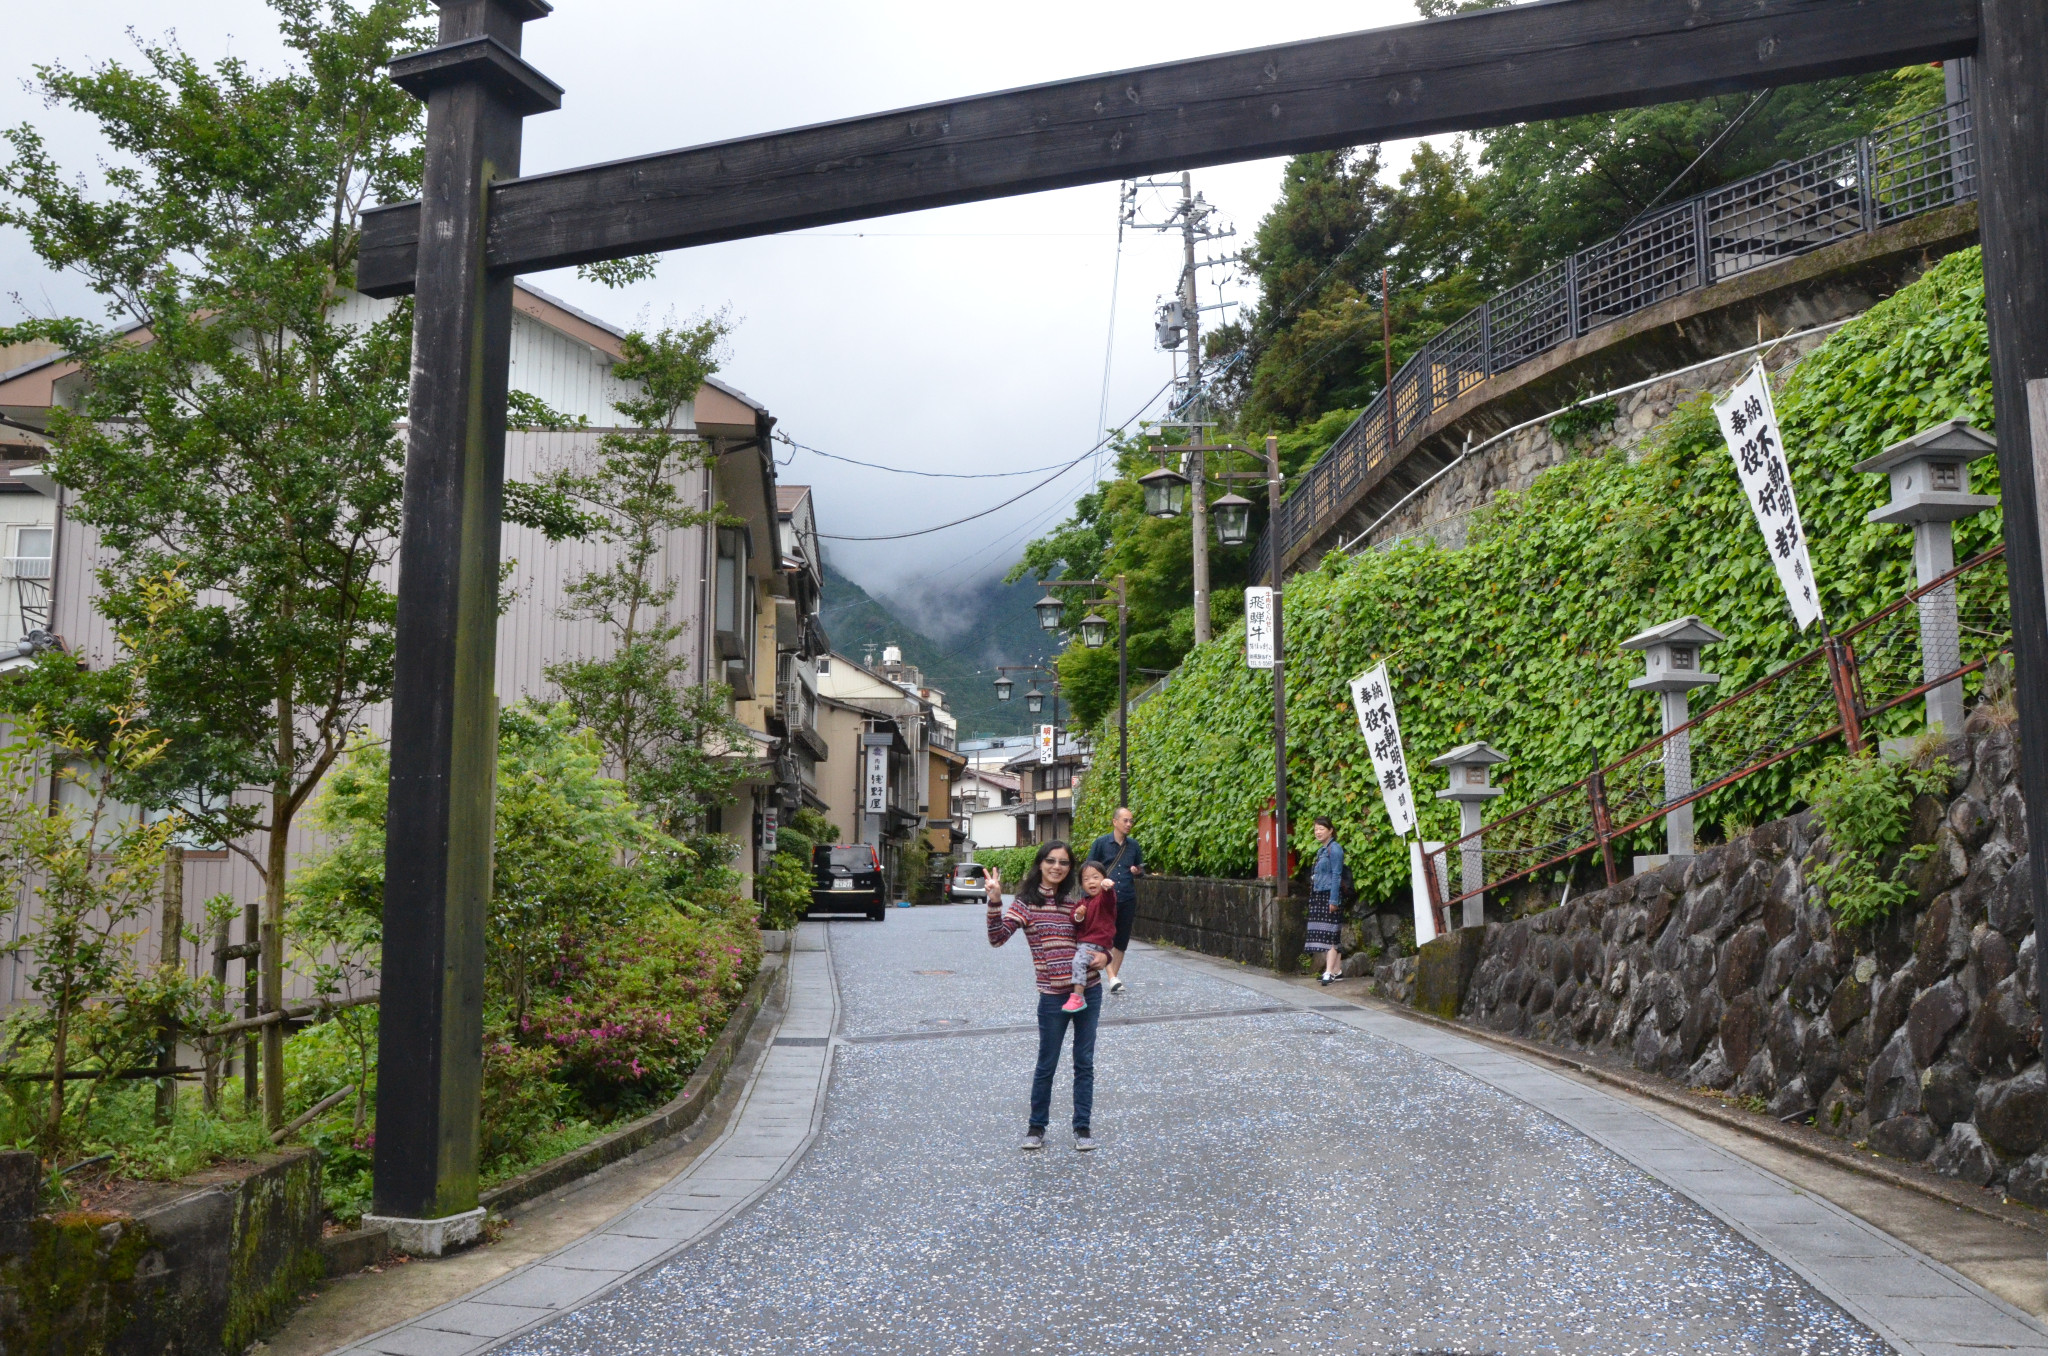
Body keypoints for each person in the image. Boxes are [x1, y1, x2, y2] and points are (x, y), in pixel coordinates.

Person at [986, 841, 1108, 1151]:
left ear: (1070, 868)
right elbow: (997, 939)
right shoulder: (1025, 903)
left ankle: (1082, 1128)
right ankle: (1036, 1127)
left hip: (1088, 992)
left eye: (1064, 863)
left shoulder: (1075, 901)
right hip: (1053, 996)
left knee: (1084, 1063)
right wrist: (995, 901)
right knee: (1047, 1064)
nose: (1057, 866)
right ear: (1040, 863)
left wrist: (1105, 958)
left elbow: (1101, 932)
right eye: (1051, 860)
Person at [1084, 806, 1144, 993]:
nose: (1129, 824)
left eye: (1131, 821)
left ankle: (1113, 978)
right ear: (1115, 822)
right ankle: (1111, 977)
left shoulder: (1134, 845)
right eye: (1125, 820)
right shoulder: (1101, 843)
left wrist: (1138, 870)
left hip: (1127, 896)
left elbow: (1141, 870)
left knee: (1121, 940)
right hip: (1105, 898)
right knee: (1104, 937)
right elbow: (1088, 868)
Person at [1065, 863, 1120, 1012]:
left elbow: (1109, 899)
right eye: (1086, 879)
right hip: (1086, 943)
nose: (1091, 882)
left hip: (1095, 943)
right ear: (1082, 884)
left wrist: (1107, 887)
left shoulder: (1104, 899)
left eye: (1096, 877)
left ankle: (1077, 996)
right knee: (1079, 961)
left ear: (1103, 879)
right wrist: (1079, 915)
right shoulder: (1083, 902)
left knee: (1078, 962)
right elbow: (1073, 919)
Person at [1307, 815, 1345, 984]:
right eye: (1316, 829)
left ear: (1330, 830)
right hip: (1320, 893)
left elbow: (1337, 875)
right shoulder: (1322, 850)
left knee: (1329, 933)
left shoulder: (1335, 849)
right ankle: (1336, 970)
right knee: (1329, 933)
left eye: (1321, 829)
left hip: (1330, 894)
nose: (1318, 832)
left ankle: (1328, 972)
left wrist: (1334, 900)